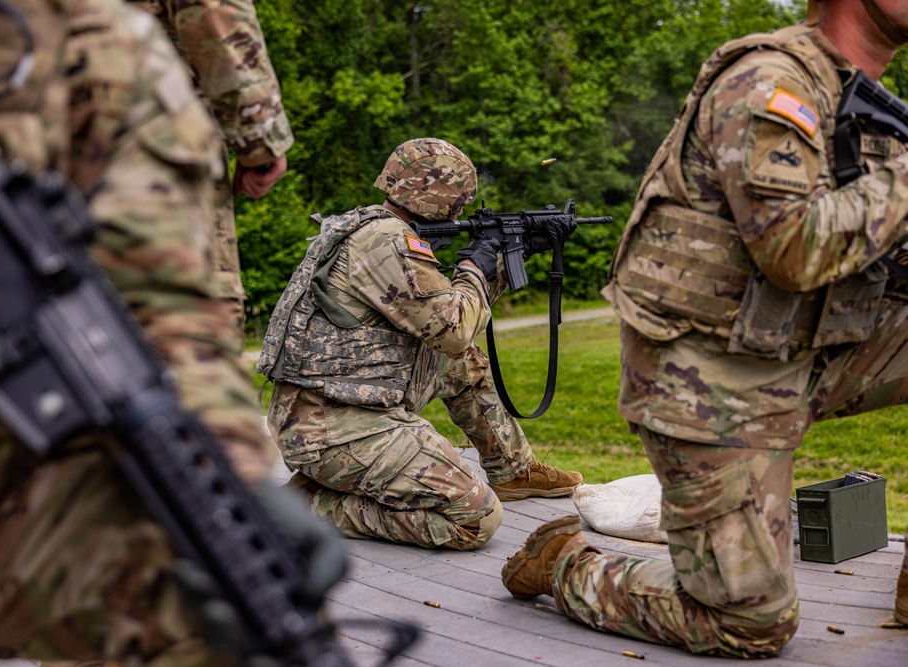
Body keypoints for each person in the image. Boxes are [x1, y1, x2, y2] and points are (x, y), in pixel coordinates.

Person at [0, 0, 343, 663]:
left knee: (232, 617)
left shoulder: (97, 43)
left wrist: (228, 470)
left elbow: (166, 307)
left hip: (7, 479)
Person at [503, 0, 908, 657]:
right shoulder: (770, 82)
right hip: (708, 378)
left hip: (798, 350)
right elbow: (795, 247)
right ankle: (565, 562)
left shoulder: (866, 108)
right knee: (751, 621)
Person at [258, 137, 584, 551]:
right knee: (477, 519)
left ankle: (512, 470)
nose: (464, 208)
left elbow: (447, 321)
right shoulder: (387, 243)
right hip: (334, 430)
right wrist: (473, 267)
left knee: (462, 361)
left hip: (332, 414)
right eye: (460, 197)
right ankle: (305, 506)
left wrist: (507, 258)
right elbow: (454, 328)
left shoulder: (372, 228)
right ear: (439, 196)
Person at [128, 0, 295, 339]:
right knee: (192, 330)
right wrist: (260, 145)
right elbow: (211, 12)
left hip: (17, 156)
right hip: (149, 147)